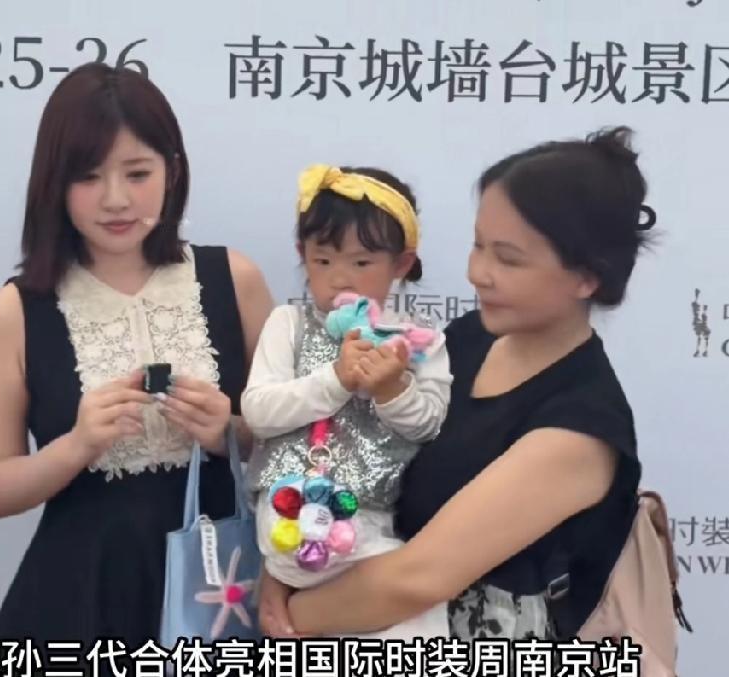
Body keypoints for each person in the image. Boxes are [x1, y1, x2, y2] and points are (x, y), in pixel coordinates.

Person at [258, 126, 652, 642]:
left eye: (507, 258)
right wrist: (288, 566)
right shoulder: (467, 339)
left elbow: (418, 579)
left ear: (587, 277)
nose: (478, 273)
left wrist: (290, 617)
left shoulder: (579, 426)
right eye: (478, 246)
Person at [0, 63, 273, 653]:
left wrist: (229, 434)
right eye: (87, 176)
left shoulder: (235, 279)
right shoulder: (16, 311)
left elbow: (303, 444)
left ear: (172, 171)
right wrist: (77, 445)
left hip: (223, 590)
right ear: (54, 183)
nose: (115, 200)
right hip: (83, 595)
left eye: (137, 173)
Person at [242, 164, 453, 639]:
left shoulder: (419, 340)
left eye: (361, 264)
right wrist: (335, 379)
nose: (340, 278)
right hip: (290, 512)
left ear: (401, 264)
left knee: (411, 611)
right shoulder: (288, 324)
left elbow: (430, 425)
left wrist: (392, 390)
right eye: (322, 261)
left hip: (374, 517)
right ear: (302, 255)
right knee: (414, 601)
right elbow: (258, 413)